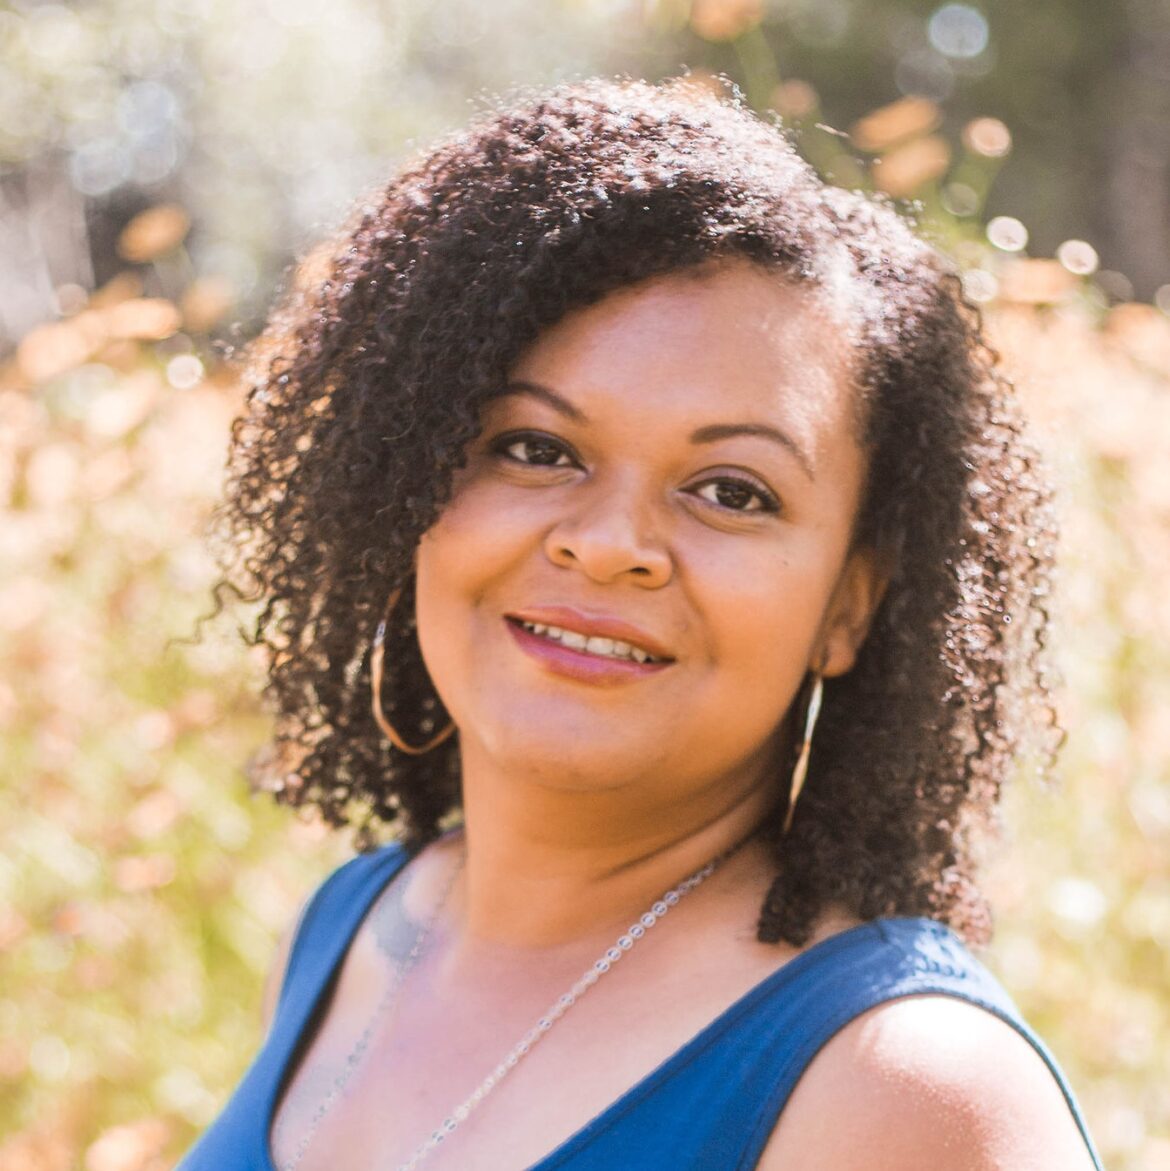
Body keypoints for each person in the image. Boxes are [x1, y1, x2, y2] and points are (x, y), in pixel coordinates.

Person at [179, 78, 1103, 1170]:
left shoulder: (906, 1093)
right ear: (406, 482)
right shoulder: (348, 928)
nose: (610, 541)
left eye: (732, 490)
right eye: (535, 446)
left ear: (847, 605)